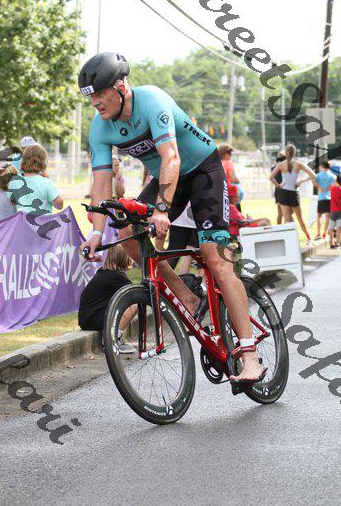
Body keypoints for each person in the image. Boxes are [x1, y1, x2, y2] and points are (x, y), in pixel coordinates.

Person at [78, 51, 266, 385]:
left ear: (121, 86)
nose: (95, 102)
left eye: (100, 93)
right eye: (90, 96)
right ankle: (187, 297)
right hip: (168, 180)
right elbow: (102, 184)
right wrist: (95, 233)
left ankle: (249, 355)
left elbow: (172, 158)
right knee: (127, 231)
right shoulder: (100, 127)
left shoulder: (153, 101)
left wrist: (162, 209)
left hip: (203, 171)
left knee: (216, 259)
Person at [78, 244, 136, 353]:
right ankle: (112, 340)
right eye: (130, 255)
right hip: (91, 320)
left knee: (122, 303)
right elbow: (136, 293)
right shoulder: (116, 276)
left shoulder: (106, 272)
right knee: (134, 304)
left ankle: (111, 338)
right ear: (124, 258)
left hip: (87, 318)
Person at [269, 144, 314, 244]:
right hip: (293, 193)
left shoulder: (281, 164)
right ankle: (309, 238)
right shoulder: (298, 164)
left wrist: (278, 185)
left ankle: (290, 242)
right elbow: (313, 175)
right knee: (300, 219)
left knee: (287, 220)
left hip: (284, 193)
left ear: (286, 153)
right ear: (294, 153)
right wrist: (300, 182)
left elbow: (271, 177)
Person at [7, 144, 63, 214]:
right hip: (42, 221)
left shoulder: (14, 181)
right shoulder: (46, 182)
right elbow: (59, 205)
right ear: (43, 162)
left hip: (22, 221)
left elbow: (12, 202)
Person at [314, 161, 336, 241]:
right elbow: (333, 185)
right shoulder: (332, 176)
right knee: (327, 217)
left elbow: (312, 180)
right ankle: (324, 233)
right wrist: (328, 188)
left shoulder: (318, 175)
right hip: (329, 198)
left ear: (322, 166)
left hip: (321, 198)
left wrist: (318, 187)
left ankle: (318, 233)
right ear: (329, 167)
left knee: (319, 216)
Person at [218, 143, 243, 210]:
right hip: (229, 191)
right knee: (240, 194)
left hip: (219, 191)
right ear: (224, 153)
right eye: (229, 153)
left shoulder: (216, 163)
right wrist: (238, 181)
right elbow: (233, 178)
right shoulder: (228, 162)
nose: (230, 155)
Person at [271, 151, 286, 225]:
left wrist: (277, 185)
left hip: (277, 191)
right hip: (285, 190)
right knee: (286, 213)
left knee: (279, 213)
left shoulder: (273, 168)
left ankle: (279, 227)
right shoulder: (285, 167)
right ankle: (287, 228)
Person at [329, 175, 341, 248]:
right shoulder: (340, 189)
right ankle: (338, 242)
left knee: (331, 227)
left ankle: (331, 243)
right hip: (339, 210)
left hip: (332, 210)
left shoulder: (332, 188)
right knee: (339, 227)